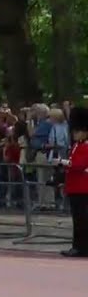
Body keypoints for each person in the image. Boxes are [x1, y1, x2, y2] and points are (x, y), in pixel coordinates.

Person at [59, 106, 88, 258]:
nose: (74, 133)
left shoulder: (85, 146)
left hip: (82, 188)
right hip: (75, 187)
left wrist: (63, 163)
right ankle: (79, 246)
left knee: (81, 220)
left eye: (77, 131)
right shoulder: (77, 145)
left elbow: (79, 165)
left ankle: (80, 247)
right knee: (79, 220)